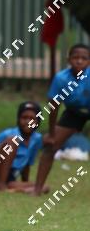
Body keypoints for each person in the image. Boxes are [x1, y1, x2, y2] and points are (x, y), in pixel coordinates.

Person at [33, 43, 90, 195]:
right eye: (75, 57)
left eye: (84, 58)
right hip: (74, 112)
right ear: (68, 59)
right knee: (50, 147)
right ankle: (37, 189)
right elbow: (54, 107)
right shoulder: (61, 78)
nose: (79, 61)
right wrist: (52, 134)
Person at [0, 101, 43, 193]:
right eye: (24, 117)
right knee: (12, 141)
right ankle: (1, 185)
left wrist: (25, 182)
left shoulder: (37, 139)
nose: (27, 122)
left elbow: (27, 164)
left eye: (32, 118)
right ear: (18, 119)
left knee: (43, 187)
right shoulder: (8, 133)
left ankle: (11, 189)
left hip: (10, 177)